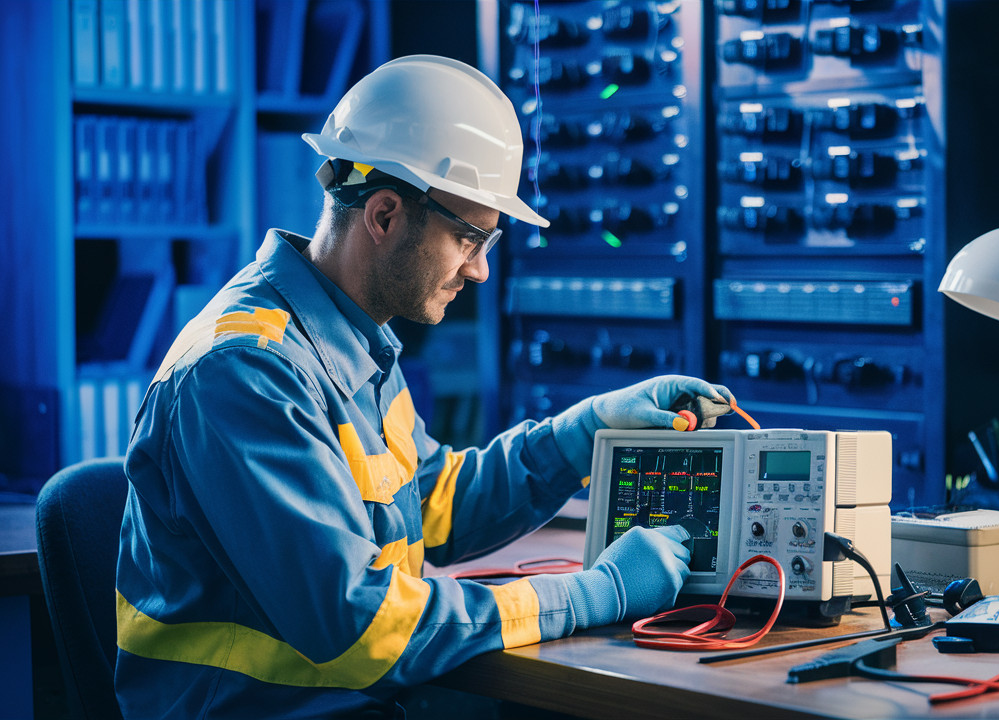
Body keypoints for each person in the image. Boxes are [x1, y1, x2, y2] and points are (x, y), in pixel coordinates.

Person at [115, 55, 732, 719]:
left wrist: (581, 436)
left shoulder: (352, 339)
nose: (481, 271)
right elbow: (359, 625)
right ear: (383, 216)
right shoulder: (245, 372)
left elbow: (437, 505)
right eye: (471, 239)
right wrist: (598, 593)